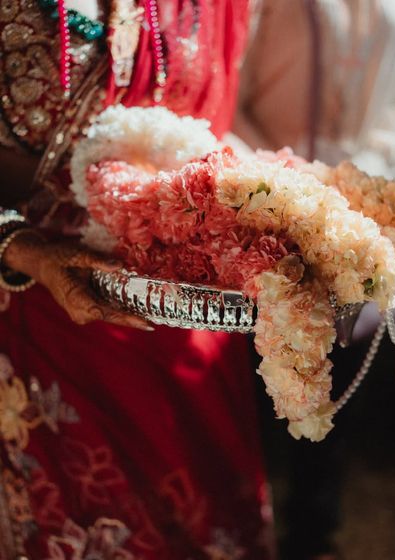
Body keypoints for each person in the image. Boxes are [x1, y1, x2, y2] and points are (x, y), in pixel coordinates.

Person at [0, 1, 273, 558]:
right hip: (39, 331)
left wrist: (282, 212)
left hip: (191, 324)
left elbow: (212, 130)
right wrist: (25, 251)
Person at [235, 1, 395, 559]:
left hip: (364, 209)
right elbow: (229, 94)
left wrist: (355, 183)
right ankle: (246, 520)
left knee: (339, 373)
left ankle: (314, 529)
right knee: (255, 372)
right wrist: (282, 183)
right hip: (261, 202)